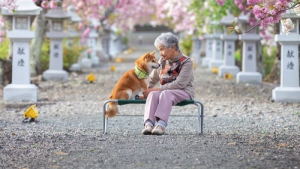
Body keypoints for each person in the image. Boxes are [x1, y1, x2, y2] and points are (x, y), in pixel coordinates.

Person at [141, 32, 195, 135]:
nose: (160, 53)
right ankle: (149, 124)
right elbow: (153, 79)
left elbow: (180, 84)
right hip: (164, 92)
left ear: (172, 47)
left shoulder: (187, 62)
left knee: (166, 93)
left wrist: (159, 89)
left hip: (183, 92)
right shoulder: (162, 61)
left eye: (162, 49)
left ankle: (161, 125)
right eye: (159, 50)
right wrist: (146, 90)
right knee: (153, 94)